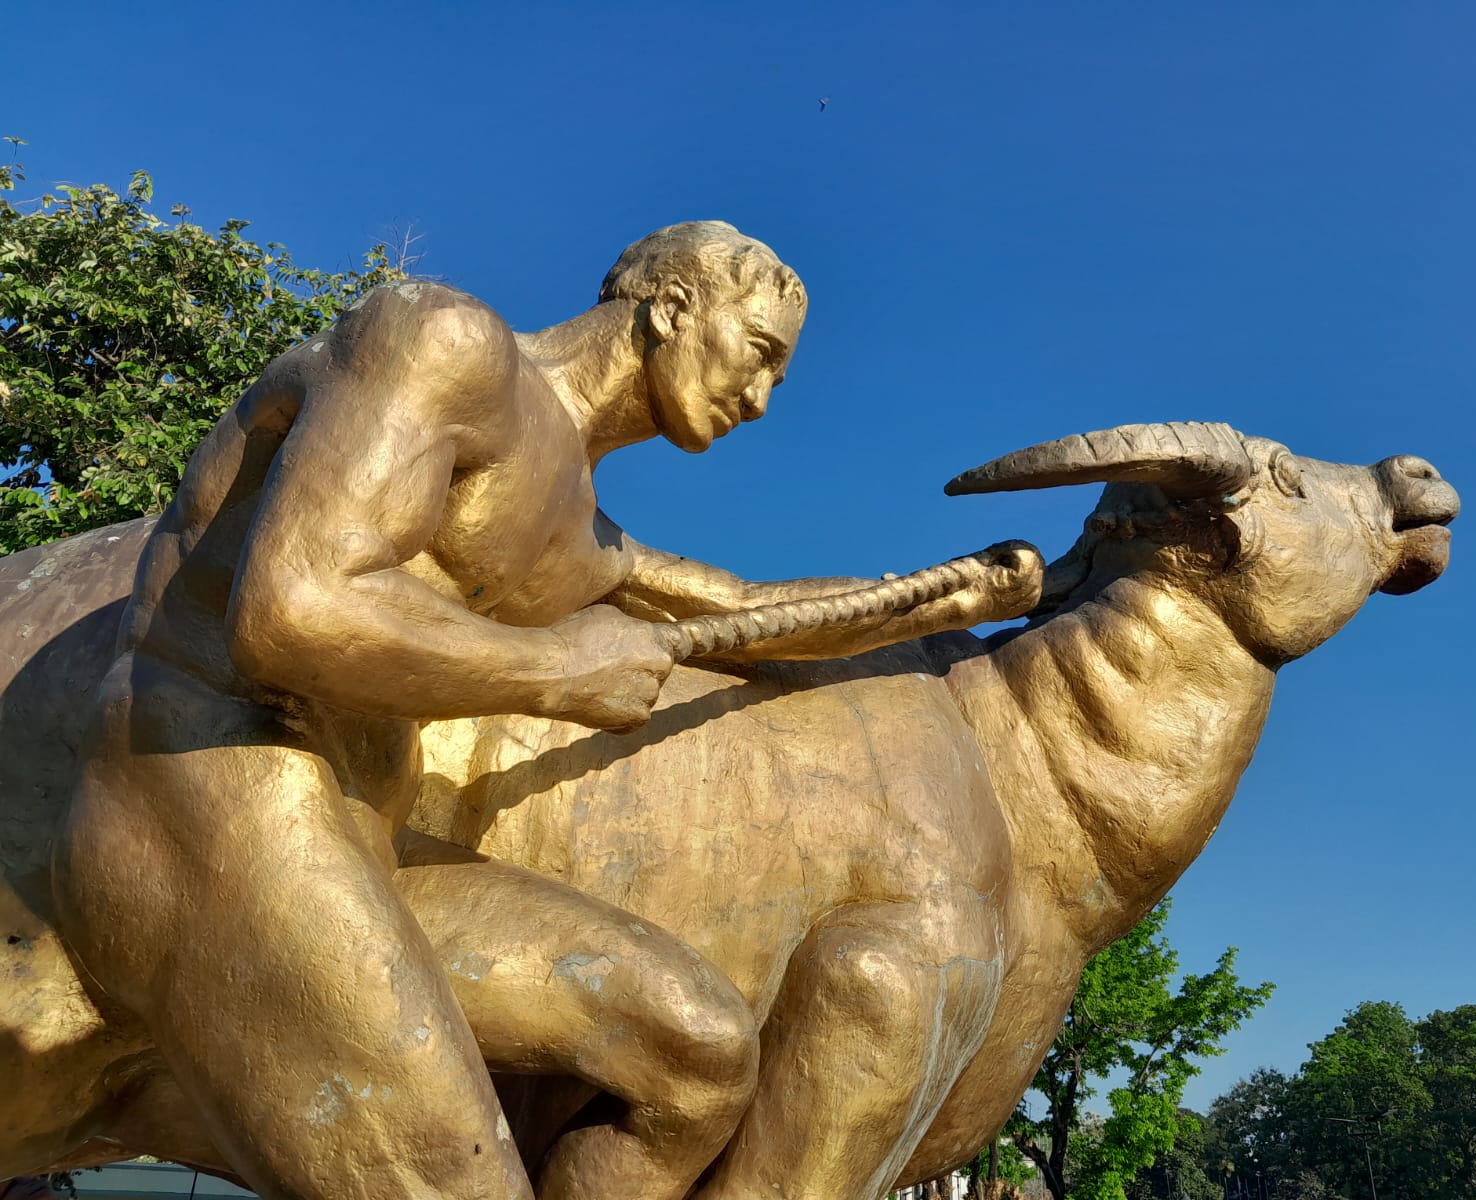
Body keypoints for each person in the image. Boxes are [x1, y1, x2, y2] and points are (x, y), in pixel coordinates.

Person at [53, 221, 1041, 1200]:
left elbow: (744, 613)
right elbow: (291, 607)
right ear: (672, 307)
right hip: (212, 794)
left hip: (357, 836)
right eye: (760, 354)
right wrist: (552, 672)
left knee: (695, 1053)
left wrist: (933, 597)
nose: (762, 398)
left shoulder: (582, 532)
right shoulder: (444, 342)